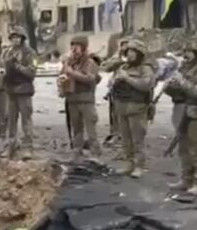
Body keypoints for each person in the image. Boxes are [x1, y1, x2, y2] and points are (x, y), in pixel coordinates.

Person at [164, 39, 197, 196]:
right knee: (184, 148)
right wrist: (171, 87)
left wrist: (182, 82)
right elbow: (180, 91)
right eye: (184, 52)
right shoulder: (186, 68)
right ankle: (186, 179)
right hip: (185, 112)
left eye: (189, 52)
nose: (185, 55)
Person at [110, 39, 156, 177]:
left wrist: (127, 79)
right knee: (125, 139)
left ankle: (139, 166)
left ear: (139, 54)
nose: (130, 54)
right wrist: (115, 81)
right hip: (122, 106)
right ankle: (128, 163)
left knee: (137, 140)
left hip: (137, 108)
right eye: (128, 51)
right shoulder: (124, 67)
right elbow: (112, 81)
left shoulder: (145, 68)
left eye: (133, 52)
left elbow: (146, 85)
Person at [59, 36, 101, 161]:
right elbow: (62, 76)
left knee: (90, 129)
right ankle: (77, 151)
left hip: (86, 100)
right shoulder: (69, 62)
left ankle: (95, 153)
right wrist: (62, 86)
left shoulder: (90, 63)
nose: (74, 49)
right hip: (72, 99)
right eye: (72, 46)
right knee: (76, 128)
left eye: (77, 46)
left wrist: (72, 73)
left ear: (83, 48)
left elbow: (90, 79)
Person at [0, 27, 38, 158]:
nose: (15, 40)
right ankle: (11, 146)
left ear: (22, 39)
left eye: (18, 37)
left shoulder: (30, 53)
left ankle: (28, 147)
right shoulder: (6, 52)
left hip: (24, 89)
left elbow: (32, 72)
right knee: (10, 120)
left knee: (26, 120)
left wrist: (17, 66)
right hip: (10, 90)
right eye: (13, 37)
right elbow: (1, 68)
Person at [101, 39, 129, 143]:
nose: (125, 48)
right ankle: (115, 133)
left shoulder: (136, 58)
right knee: (114, 113)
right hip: (116, 88)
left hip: (130, 89)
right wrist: (118, 59)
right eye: (123, 46)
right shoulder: (117, 57)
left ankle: (125, 135)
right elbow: (106, 67)